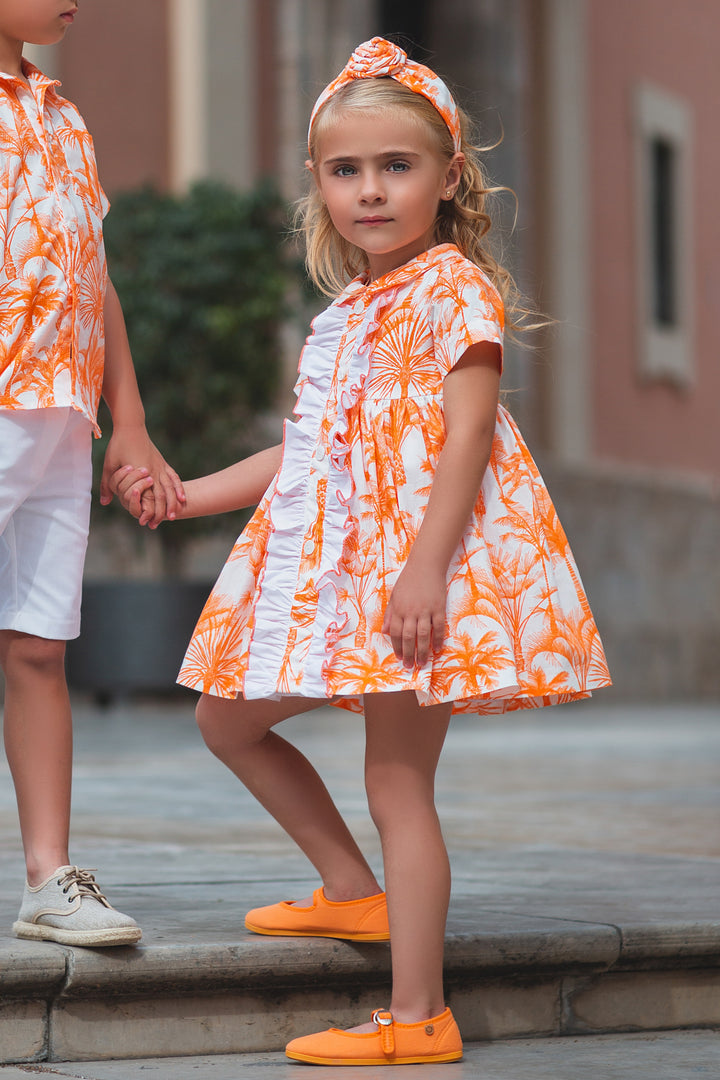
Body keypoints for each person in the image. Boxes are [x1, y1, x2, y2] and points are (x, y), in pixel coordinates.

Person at [112, 36, 611, 1066]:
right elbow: (306, 453)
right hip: (349, 568)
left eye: (398, 166)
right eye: (348, 171)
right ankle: (351, 890)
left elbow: (469, 435)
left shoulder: (451, 290)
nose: (372, 191)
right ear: (319, 185)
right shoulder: (351, 312)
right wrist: (185, 494)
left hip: (418, 565)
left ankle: (419, 1014)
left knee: (397, 781)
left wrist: (424, 568)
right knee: (225, 716)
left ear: (448, 176)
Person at [0, 0, 184, 947]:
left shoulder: (63, 115)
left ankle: (48, 880)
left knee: (37, 646)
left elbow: (94, 273)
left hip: (62, 416)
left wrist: (131, 421)